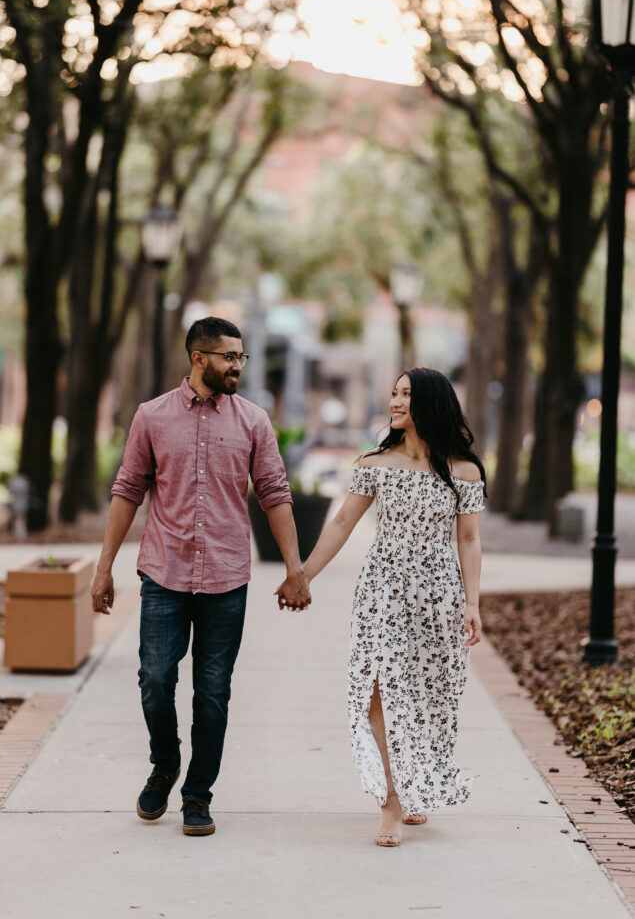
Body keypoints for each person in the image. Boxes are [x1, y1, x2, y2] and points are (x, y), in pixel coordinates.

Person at [92, 316, 310, 837]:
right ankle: (164, 763)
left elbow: (275, 495)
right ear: (198, 359)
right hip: (164, 574)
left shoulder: (255, 422)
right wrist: (105, 568)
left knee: (213, 692)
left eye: (241, 357)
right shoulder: (152, 417)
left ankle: (197, 795)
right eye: (229, 357)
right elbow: (128, 491)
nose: (238, 366)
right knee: (154, 680)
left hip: (227, 577)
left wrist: (295, 569)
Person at [278, 368, 485, 847]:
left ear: (430, 403)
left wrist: (472, 603)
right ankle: (390, 801)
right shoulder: (374, 462)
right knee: (377, 689)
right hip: (383, 588)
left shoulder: (463, 471)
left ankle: (418, 785)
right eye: (393, 393)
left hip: (439, 593)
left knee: (432, 695)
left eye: (406, 395)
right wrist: (303, 574)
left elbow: (470, 538)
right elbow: (342, 523)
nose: (395, 402)